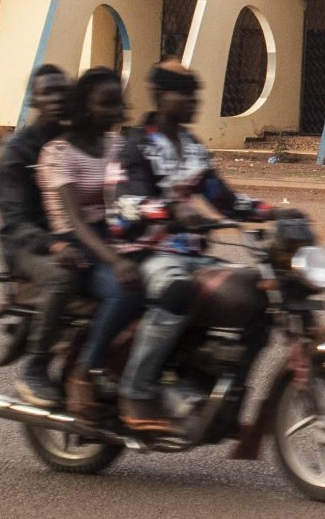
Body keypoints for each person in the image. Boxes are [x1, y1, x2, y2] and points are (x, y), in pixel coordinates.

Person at [111, 60, 276, 434]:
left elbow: (225, 200)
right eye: (182, 94)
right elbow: (127, 204)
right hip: (144, 252)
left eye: (194, 93)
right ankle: (136, 391)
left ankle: (226, 395)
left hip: (191, 254)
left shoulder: (191, 148)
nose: (192, 101)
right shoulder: (136, 145)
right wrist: (171, 211)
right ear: (158, 95)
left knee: (262, 290)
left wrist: (276, 213)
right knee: (176, 291)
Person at [37, 67, 141, 419]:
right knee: (126, 289)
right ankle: (85, 370)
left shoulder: (116, 144)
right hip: (78, 242)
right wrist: (115, 261)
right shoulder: (58, 153)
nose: (116, 111)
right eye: (106, 104)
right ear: (83, 108)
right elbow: (76, 220)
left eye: (118, 103)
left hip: (112, 233)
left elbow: (133, 194)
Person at [0, 65, 80, 407]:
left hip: (72, 236)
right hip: (26, 244)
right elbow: (14, 221)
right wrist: (54, 244)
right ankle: (36, 367)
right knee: (62, 278)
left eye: (62, 92)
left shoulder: (74, 143)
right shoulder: (18, 150)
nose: (57, 99)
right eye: (49, 93)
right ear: (35, 99)